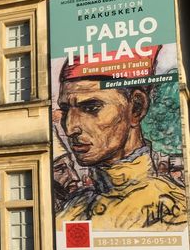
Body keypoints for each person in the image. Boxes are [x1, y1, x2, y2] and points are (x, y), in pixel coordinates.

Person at [55, 49, 187, 231]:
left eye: (91, 107)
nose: (70, 128)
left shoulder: (171, 210)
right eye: (65, 110)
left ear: (136, 108)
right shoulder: (71, 210)